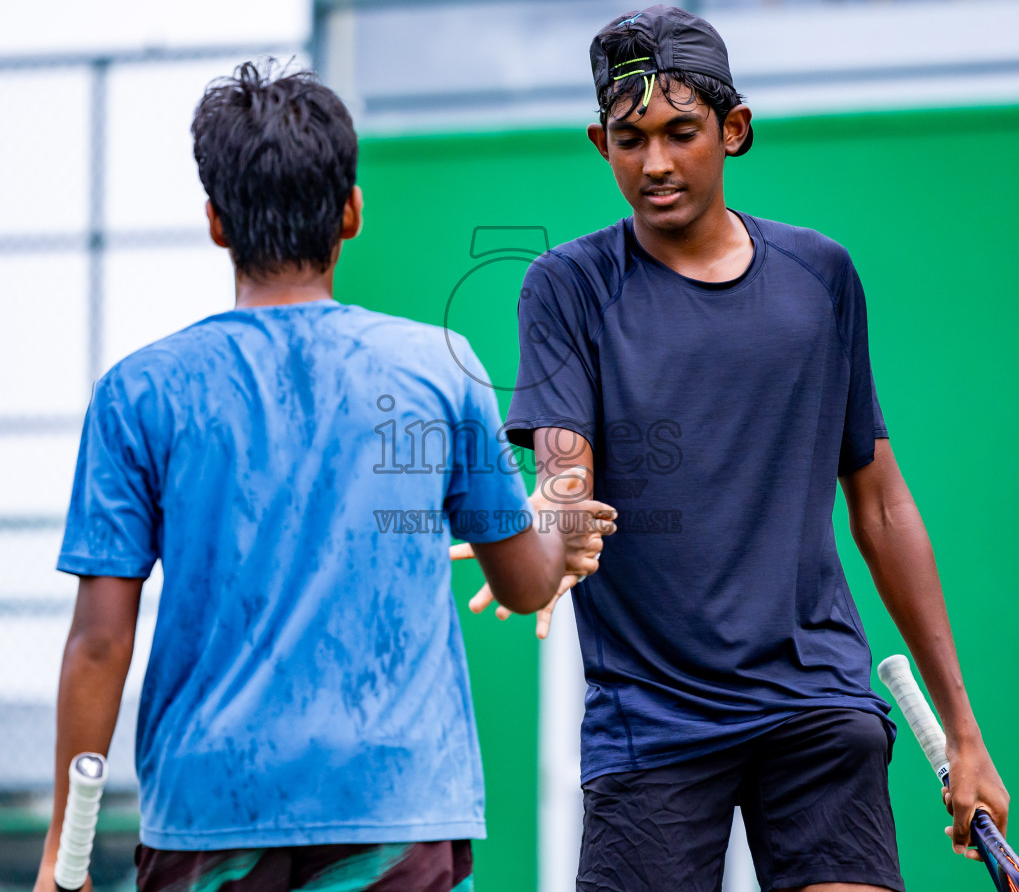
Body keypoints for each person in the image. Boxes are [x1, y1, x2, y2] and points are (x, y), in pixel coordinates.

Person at [32, 61, 615, 892]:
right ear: (351, 212)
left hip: (207, 817)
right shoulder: (441, 367)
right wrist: (557, 528)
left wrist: (66, 846)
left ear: (214, 222)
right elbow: (524, 585)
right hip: (399, 808)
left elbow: (99, 641)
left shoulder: (138, 391)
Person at [468, 6, 1011, 892]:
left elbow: (879, 501)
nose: (655, 163)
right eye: (628, 138)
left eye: (681, 132)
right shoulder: (565, 285)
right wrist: (552, 521)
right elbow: (567, 469)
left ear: (734, 129)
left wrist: (964, 729)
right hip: (651, 722)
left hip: (816, 702)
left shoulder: (821, 277)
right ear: (598, 140)